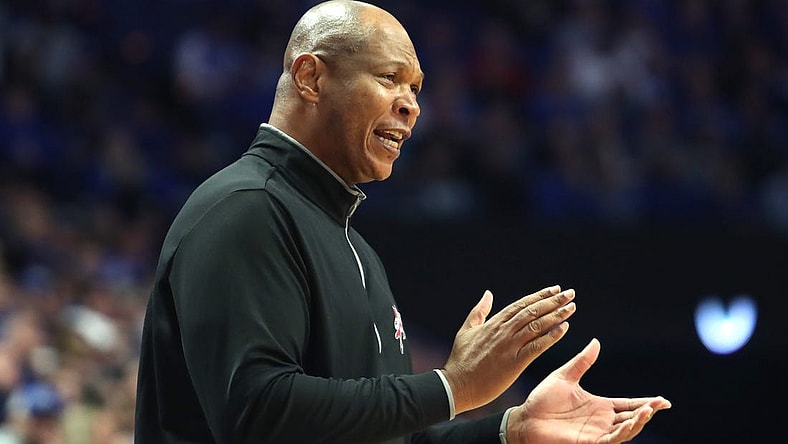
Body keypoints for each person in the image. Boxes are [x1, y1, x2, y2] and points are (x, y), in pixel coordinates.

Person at [133, 1, 671, 443]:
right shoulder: (246, 210)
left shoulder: (354, 247)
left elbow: (388, 438)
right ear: (311, 77)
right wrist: (451, 388)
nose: (412, 106)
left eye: (416, 88)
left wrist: (512, 431)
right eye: (391, 79)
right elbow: (257, 414)